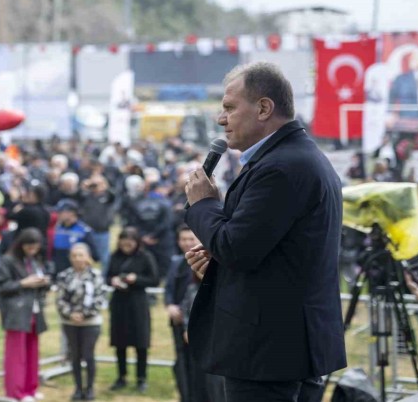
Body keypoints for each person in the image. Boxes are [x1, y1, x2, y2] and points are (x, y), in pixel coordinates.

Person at [184, 63, 346, 402]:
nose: (221, 119)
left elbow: (236, 248)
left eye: (229, 107)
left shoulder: (281, 167)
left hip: (269, 355)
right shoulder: (295, 157)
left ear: (263, 108)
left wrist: (203, 204)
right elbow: (274, 251)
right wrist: (220, 261)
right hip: (285, 348)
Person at [165, 225, 225, 402]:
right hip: (181, 323)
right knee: (184, 365)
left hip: (207, 331)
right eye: (183, 239)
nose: (187, 243)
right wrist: (170, 306)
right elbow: (170, 289)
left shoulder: (210, 260)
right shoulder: (176, 264)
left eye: (190, 239)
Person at [0, 228, 51, 402]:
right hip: (16, 313)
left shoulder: (35, 260)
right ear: (22, 245)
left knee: (32, 351)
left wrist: (44, 282)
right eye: (29, 247)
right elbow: (1, 286)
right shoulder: (8, 260)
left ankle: (31, 388)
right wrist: (23, 283)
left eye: (35, 247)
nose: (32, 250)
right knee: (16, 355)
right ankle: (15, 392)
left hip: (33, 311)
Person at [106, 227, 159, 393]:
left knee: (140, 342)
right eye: (123, 243)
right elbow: (107, 276)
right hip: (119, 303)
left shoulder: (145, 257)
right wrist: (113, 280)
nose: (126, 247)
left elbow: (154, 279)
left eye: (129, 244)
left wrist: (136, 279)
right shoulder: (115, 256)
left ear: (136, 243)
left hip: (138, 303)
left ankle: (141, 377)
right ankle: (121, 376)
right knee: (119, 342)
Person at [55, 242, 106, 401]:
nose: (78, 259)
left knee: (88, 354)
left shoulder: (96, 275)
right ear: (70, 258)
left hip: (91, 322)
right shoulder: (64, 276)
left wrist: (84, 314)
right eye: (74, 256)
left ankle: (89, 388)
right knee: (75, 355)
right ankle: (78, 388)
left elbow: (100, 299)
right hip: (70, 322)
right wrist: (71, 314)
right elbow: (60, 299)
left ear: (87, 257)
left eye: (81, 255)